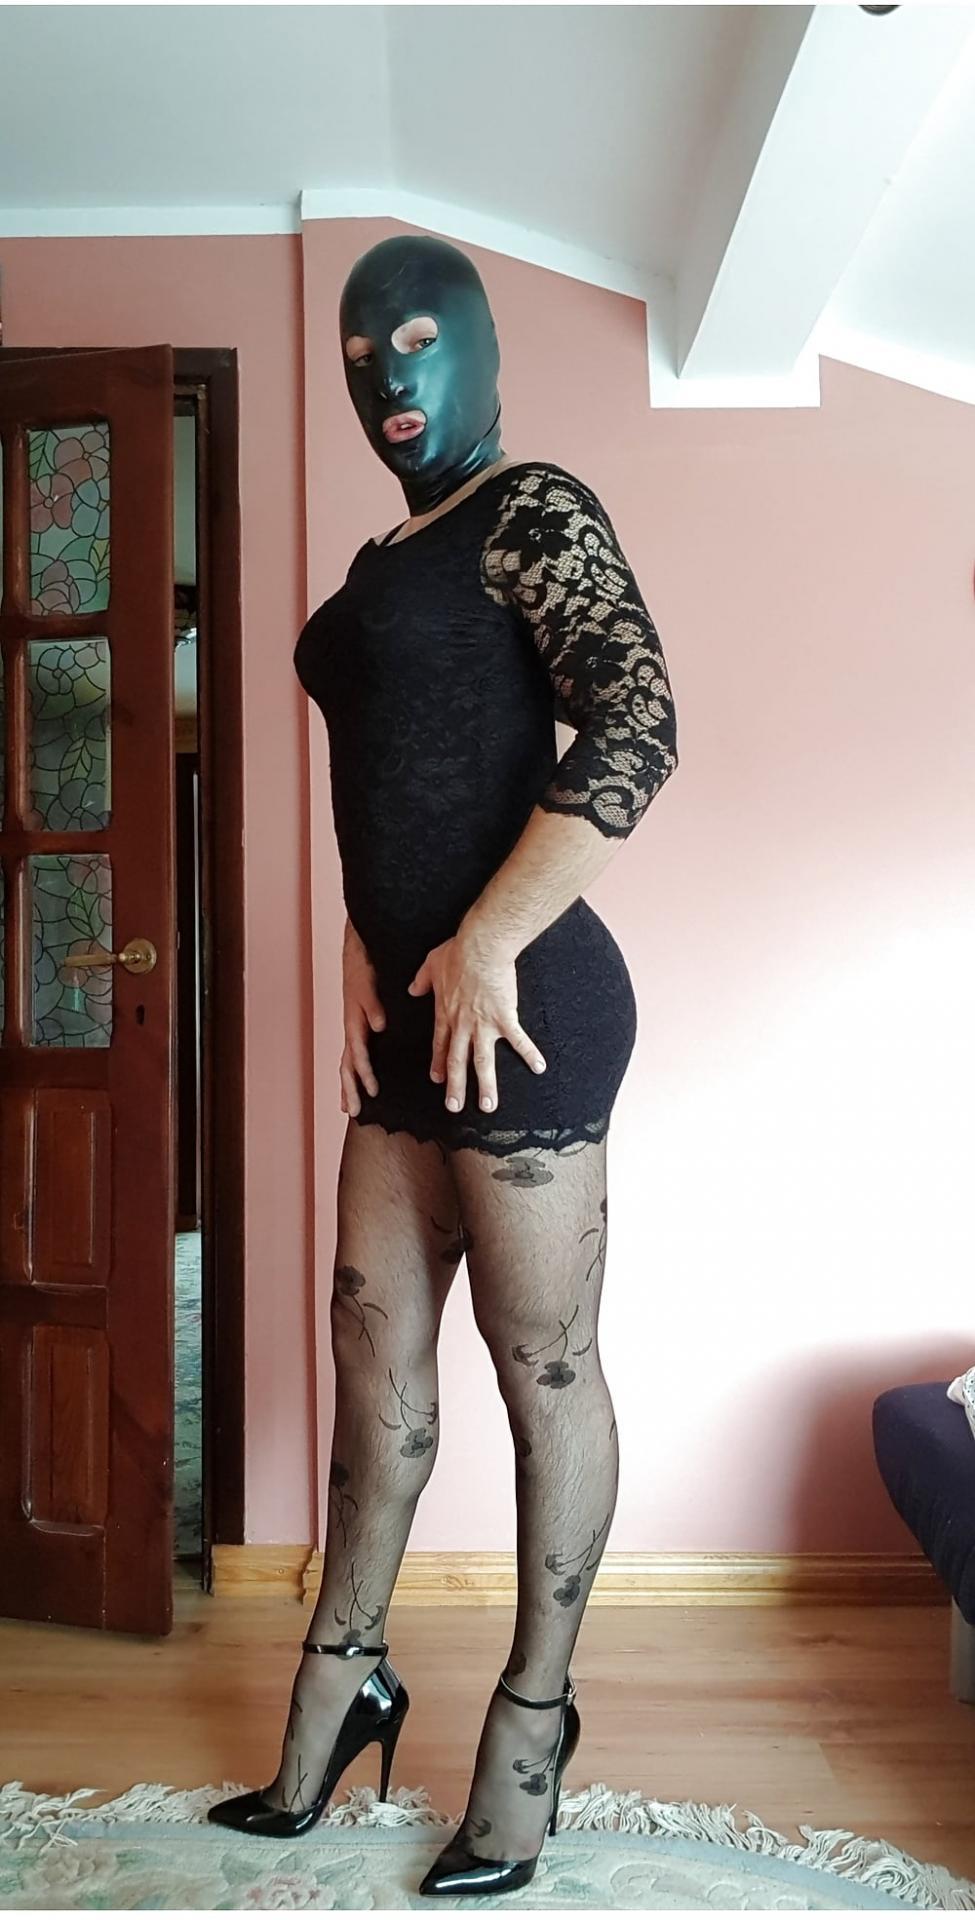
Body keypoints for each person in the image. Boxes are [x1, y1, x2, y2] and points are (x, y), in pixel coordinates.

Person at [209, 233, 678, 1896]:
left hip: (529, 1007)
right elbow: (396, 770)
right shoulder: (386, 551)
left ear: (480, 345)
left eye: (415, 338)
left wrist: (483, 939)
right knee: (373, 1364)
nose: (387, 377)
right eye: (359, 356)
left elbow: (637, 723)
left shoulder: (531, 507)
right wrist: (363, 932)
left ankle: (536, 1722)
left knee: (542, 1371)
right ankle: (345, 1684)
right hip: (409, 1019)